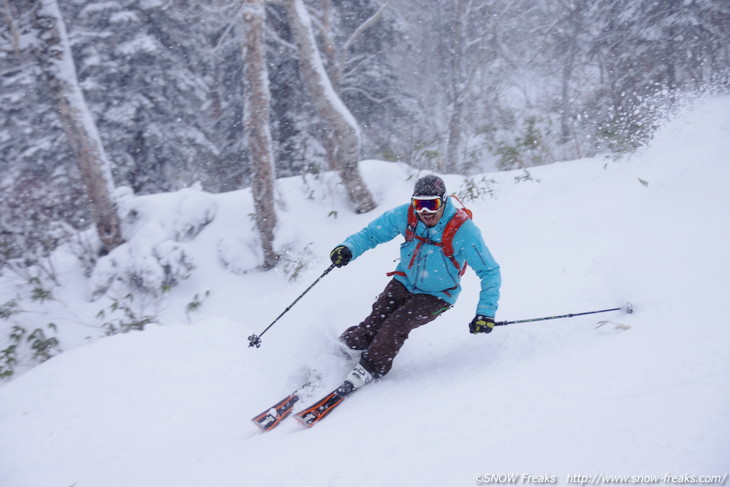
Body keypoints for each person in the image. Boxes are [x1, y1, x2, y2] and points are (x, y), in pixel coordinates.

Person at [328, 174, 501, 393]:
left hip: (438, 295)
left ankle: (371, 367)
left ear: (444, 201)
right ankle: (341, 351)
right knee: (373, 323)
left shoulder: (463, 230)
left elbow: (490, 271)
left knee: (395, 325)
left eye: (432, 204)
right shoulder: (407, 215)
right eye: (419, 204)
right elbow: (372, 234)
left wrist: (486, 312)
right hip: (404, 281)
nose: (425, 212)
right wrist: (348, 248)